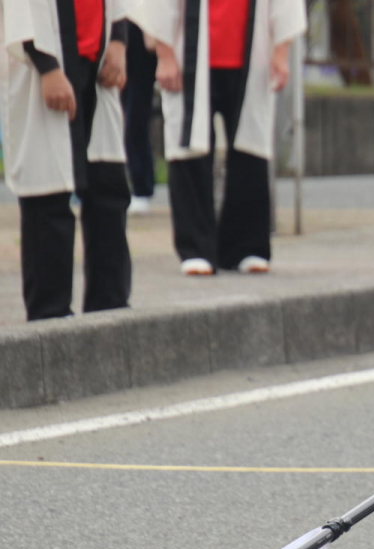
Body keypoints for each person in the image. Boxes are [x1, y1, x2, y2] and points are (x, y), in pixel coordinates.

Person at [130, 0, 305, 276]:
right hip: (190, 51)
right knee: (189, 147)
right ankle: (196, 248)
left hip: (252, 50)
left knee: (252, 146)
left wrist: (281, 50)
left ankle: (246, 246)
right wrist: (164, 54)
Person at [0, 0, 133, 322]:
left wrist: (118, 39)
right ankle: (50, 316)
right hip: (44, 67)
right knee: (48, 194)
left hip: (98, 63)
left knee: (108, 188)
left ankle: (109, 308)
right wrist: (47, 67)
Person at [121, 21, 156, 214]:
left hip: (150, 24)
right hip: (128, 26)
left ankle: (142, 186)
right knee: (131, 111)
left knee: (136, 113)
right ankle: (140, 185)